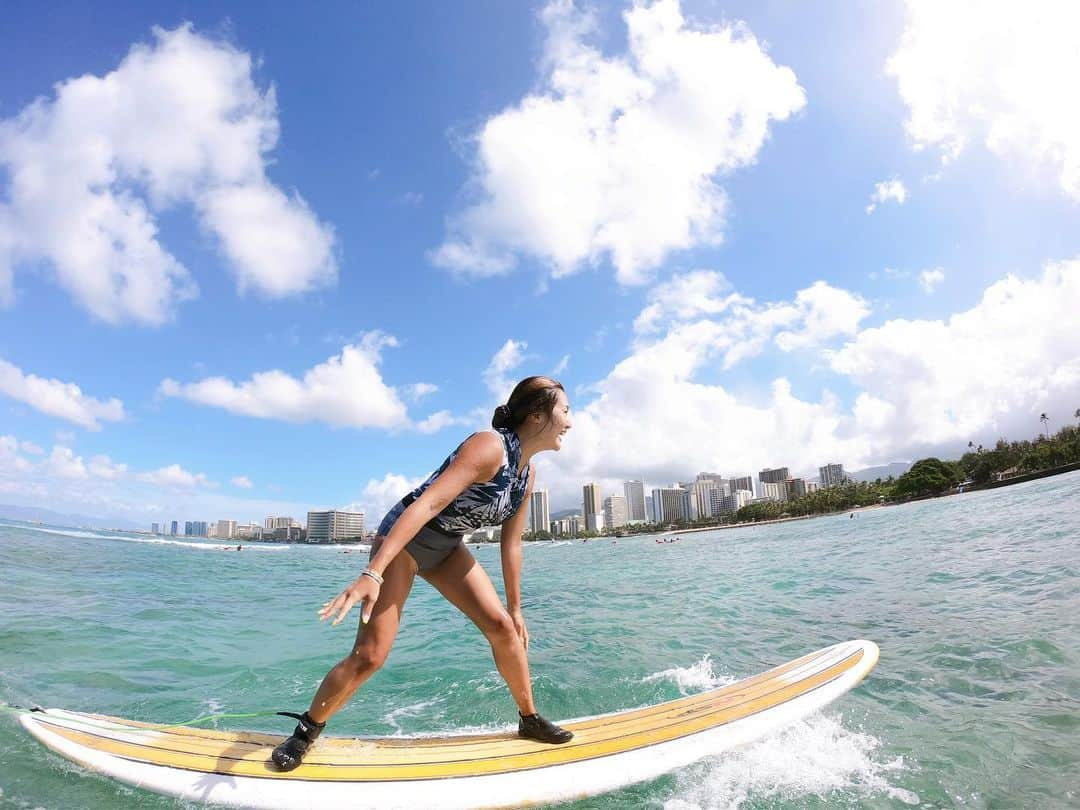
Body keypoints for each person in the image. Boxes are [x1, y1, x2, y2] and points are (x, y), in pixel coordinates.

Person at [272, 376, 574, 771]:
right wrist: (374, 571)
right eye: (565, 411)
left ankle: (529, 720)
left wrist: (516, 608)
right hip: (406, 539)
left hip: (447, 546)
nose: (570, 421)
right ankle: (306, 732)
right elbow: (428, 504)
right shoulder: (488, 447)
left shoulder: (526, 476)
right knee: (370, 656)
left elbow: (511, 543)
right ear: (537, 417)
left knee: (504, 628)